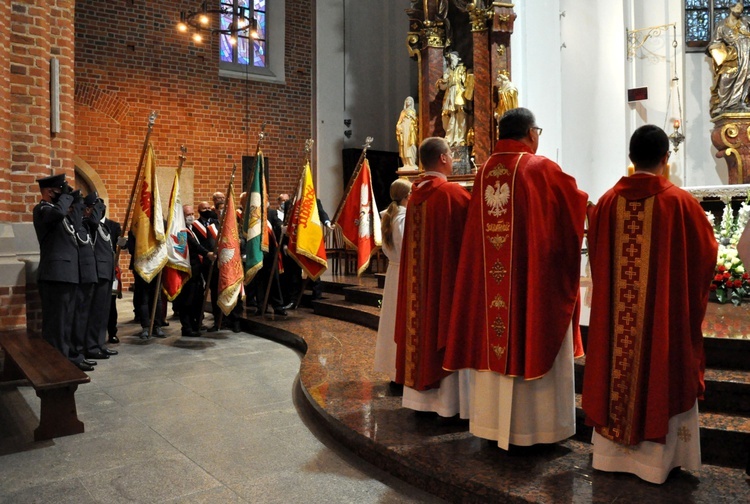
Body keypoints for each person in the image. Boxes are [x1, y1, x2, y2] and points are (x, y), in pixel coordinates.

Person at [444, 107, 588, 450]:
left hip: (493, 287)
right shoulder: (540, 168)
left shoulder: (482, 173)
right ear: (531, 133)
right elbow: (573, 207)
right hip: (528, 285)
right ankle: (536, 432)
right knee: (529, 330)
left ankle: (492, 427)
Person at [582, 125, 718, 484]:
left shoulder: (608, 202)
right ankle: (657, 464)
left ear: (631, 158)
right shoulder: (680, 203)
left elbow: (597, 260)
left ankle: (612, 458)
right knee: (662, 371)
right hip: (662, 324)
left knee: (617, 366)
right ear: (665, 158)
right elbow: (706, 256)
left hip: (616, 326)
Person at [393, 137, 471, 418]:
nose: (453, 158)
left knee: (420, 328)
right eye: (451, 154)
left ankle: (419, 403)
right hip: (443, 283)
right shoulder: (452, 194)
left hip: (420, 284)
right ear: (443, 159)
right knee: (443, 327)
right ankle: (447, 406)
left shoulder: (415, 196)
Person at [33, 174, 93, 372]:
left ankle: (68, 357)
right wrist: (66, 197)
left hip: (68, 274)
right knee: (56, 323)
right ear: (50, 192)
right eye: (60, 191)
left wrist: (76, 202)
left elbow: (75, 225)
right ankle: (55, 362)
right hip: (54, 275)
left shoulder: (60, 214)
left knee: (67, 321)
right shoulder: (42, 210)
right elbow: (57, 214)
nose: (63, 195)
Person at [373, 178, 412, 382]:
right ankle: (400, 370)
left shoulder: (390, 216)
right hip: (403, 273)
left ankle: (394, 369)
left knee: (391, 321)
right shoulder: (403, 218)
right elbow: (408, 248)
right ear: (407, 197)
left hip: (393, 272)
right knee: (401, 321)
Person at [81, 192, 118, 359]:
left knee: (104, 312)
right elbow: (94, 221)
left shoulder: (104, 227)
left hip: (107, 272)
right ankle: (91, 346)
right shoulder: (88, 223)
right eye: (97, 207)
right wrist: (95, 209)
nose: (101, 209)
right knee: (95, 312)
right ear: (88, 209)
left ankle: (99, 343)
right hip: (98, 273)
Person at [175, 205, 215, 336]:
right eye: (188, 214)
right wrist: (207, 253)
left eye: (192, 214)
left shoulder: (190, 229)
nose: (191, 216)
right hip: (188, 271)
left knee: (196, 299)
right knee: (187, 300)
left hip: (197, 271)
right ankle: (186, 328)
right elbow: (194, 246)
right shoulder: (181, 231)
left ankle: (194, 324)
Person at [708, 2, 750, 116]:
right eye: (737, 7)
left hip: (748, 51)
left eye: (741, 8)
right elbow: (714, 42)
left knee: (748, 76)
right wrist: (717, 49)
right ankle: (726, 104)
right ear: (731, 8)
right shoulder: (722, 25)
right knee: (726, 76)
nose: (740, 10)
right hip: (732, 54)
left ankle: (742, 101)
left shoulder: (746, 21)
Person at [193, 200, 221, 330]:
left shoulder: (216, 223)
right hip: (201, 263)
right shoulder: (194, 226)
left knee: (216, 292)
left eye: (209, 208)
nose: (208, 210)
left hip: (216, 263)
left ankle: (218, 320)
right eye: (204, 209)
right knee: (199, 293)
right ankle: (198, 320)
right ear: (199, 211)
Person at [436, 52, 470, 148]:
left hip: (459, 93)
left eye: (453, 58)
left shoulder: (462, 69)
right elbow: (443, 86)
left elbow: (466, 83)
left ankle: (460, 137)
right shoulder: (448, 71)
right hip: (450, 93)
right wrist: (442, 82)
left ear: (458, 59)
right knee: (446, 115)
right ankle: (449, 137)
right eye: (450, 59)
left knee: (460, 115)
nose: (452, 60)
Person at [396, 96, 419, 170]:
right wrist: (399, 127)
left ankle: (411, 163)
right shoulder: (403, 112)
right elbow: (399, 122)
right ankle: (406, 163)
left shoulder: (413, 112)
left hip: (410, 130)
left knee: (411, 145)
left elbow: (416, 122)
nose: (408, 102)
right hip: (404, 130)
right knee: (404, 146)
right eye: (407, 100)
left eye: (409, 100)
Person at [494, 72, 518, 139]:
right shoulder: (501, 87)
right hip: (501, 110)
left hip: (507, 110)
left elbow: (512, 103)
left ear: (502, 79)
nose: (497, 80)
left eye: (498, 78)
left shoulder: (510, 88)